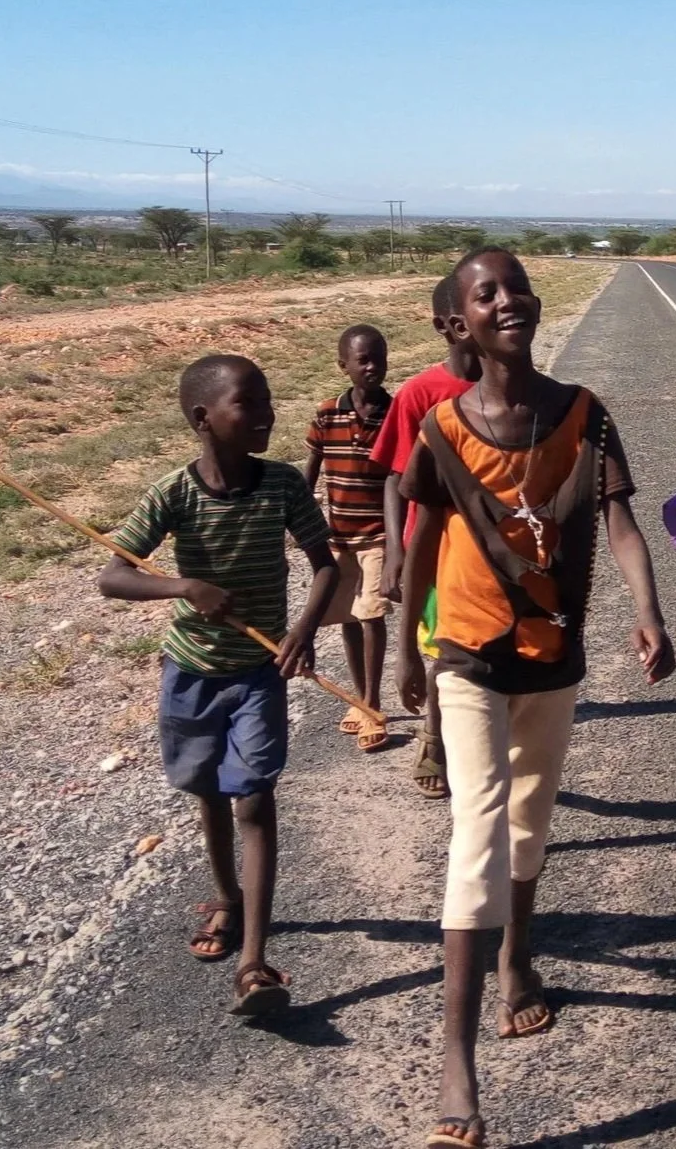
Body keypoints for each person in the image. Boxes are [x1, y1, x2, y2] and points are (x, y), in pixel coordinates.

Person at [395, 248, 675, 1149]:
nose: (506, 300)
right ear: (461, 323)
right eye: (486, 294)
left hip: (553, 651)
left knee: (529, 818)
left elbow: (620, 521)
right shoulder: (440, 427)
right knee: (477, 828)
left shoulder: (584, 417)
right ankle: (455, 1060)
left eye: (515, 286)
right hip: (468, 652)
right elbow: (420, 540)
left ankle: (519, 954)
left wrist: (647, 610)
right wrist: (408, 651)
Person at [98, 353, 338, 1018]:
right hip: (192, 672)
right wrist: (182, 586)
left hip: (258, 672)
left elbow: (325, 566)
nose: (265, 415)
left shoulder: (284, 485)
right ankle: (227, 897)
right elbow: (112, 578)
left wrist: (304, 629)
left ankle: (254, 961)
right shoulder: (172, 493)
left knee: (254, 799)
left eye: (267, 403)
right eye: (248, 405)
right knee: (206, 792)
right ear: (204, 419)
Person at [371, 275, 483, 799]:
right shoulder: (421, 393)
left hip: (492, 552)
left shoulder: (514, 389)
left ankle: (481, 733)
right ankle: (435, 739)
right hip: (432, 552)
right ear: (447, 325)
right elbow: (394, 476)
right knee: (440, 651)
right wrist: (396, 551)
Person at [304, 323, 393, 752]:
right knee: (348, 619)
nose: (373, 366)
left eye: (379, 357)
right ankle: (360, 697)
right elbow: (311, 469)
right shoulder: (326, 414)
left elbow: (401, 477)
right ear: (344, 366)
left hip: (378, 534)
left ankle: (374, 704)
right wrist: (299, 520)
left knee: (371, 614)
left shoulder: (396, 414)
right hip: (337, 536)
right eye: (363, 360)